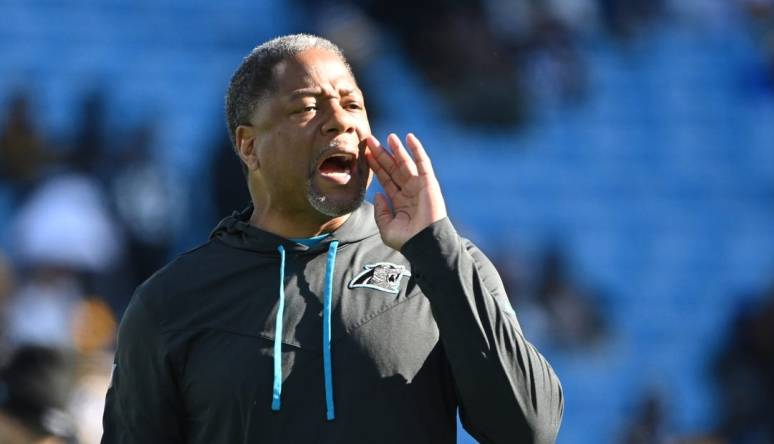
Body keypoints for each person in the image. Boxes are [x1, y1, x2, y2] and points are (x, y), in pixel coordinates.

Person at [101, 34, 563, 444]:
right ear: (248, 145)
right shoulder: (171, 302)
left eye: (353, 104)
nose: (339, 121)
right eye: (306, 107)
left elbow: (529, 430)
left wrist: (436, 246)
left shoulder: (440, 265)